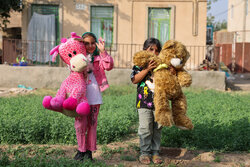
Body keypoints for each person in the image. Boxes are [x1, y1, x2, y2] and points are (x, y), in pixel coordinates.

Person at [74, 32, 114, 161]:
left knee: (92, 124)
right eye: (86, 43)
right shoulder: (77, 58)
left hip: (95, 97)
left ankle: (89, 152)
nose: (90, 46)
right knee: (80, 124)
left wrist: (103, 52)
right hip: (80, 97)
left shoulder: (98, 58)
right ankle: (81, 150)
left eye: (92, 43)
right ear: (82, 44)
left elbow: (109, 66)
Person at [130, 37, 163, 165]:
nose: (154, 53)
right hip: (143, 102)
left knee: (158, 127)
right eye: (151, 49)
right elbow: (134, 80)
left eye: (157, 50)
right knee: (145, 127)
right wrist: (147, 69)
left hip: (160, 102)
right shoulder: (140, 65)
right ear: (144, 50)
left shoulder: (161, 66)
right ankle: (145, 152)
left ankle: (155, 152)